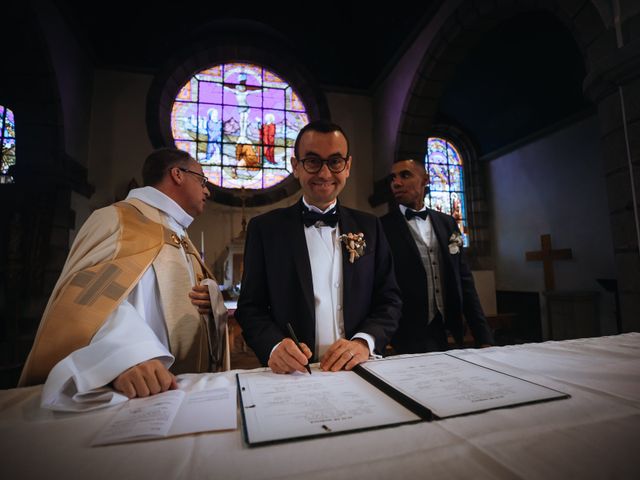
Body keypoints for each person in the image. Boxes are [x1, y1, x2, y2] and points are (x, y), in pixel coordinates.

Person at [19, 148, 229, 409]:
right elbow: (88, 300)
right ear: (177, 174)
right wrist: (127, 355)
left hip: (184, 392)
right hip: (133, 390)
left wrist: (211, 295)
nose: (207, 191)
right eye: (202, 180)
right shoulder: (118, 220)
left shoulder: (180, 233)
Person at [236, 120, 401, 374]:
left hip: (360, 369)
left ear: (347, 166)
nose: (325, 174)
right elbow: (250, 308)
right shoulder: (265, 230)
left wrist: (364, 342)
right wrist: (274, 346)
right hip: (294, 374)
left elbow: (389, 299)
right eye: (313, 161)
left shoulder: (371, 227)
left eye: (335, 161)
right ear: (295, 166)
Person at [380, 159, 493, 353]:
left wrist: (483, 336)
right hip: (403, 333)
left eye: (405, 175)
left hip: (447, 330)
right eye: (393, 178)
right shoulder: (381, 227)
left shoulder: (447, 223)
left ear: (425, 180)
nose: (396, 183)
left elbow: (464, 280)